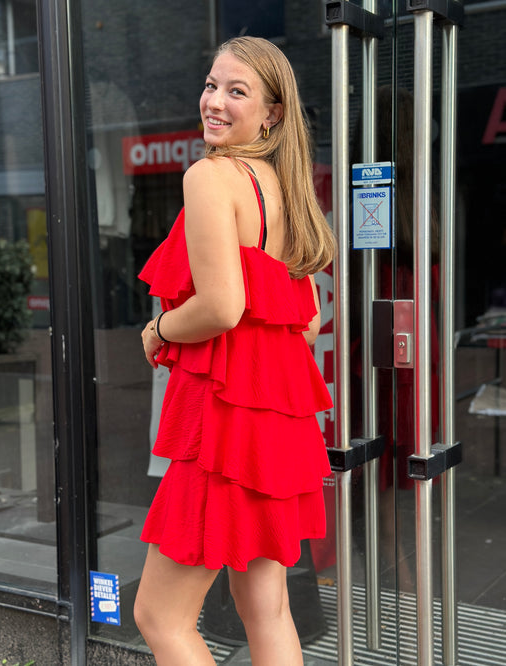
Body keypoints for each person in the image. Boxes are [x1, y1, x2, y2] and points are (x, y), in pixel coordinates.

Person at [134, 36, 335, 665]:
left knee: (160, 617)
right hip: (277, 429)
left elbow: (221, 307)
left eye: (236, 91)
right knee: (266, 608)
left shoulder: (210, 177)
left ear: (272, 113)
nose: (214, 102)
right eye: (211, 85)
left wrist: (159, 330)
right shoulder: (284, 188)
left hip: (221, 427)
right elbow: (308, 323)